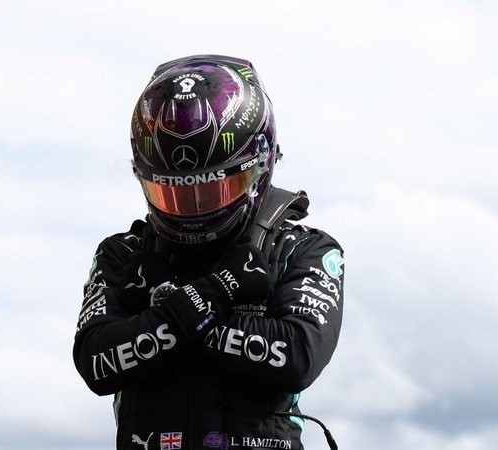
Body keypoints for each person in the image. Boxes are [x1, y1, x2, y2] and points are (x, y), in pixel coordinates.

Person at [73, 54, 344, 450]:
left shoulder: (303, 249)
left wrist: (166, 313)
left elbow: (297, 357)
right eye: (174, 195)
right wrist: (216, 292)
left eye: (213, 190)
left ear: (259, 167)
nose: (195, 210)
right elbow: (97, 362)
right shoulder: (122, 254)